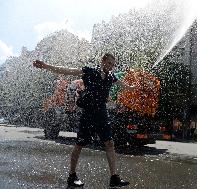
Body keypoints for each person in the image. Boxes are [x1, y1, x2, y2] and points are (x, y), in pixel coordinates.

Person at [33, 53, 135, 188]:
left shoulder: (111, 76)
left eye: (112, 64)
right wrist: (46, 66)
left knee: (109, 143)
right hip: (88, 113)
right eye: (109, 63)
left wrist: (134, 88)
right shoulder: (89, 71)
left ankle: (114, 177)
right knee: (79, 145)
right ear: (103, 61)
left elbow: (125, 86)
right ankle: (72, 176)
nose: (110, 66)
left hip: (102, 113)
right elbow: (67, 70)